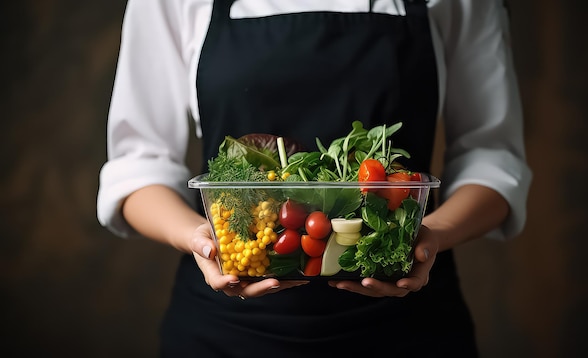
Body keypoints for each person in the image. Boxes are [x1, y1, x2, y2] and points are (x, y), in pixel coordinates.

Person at [97, 0, 532, 356]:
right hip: (225, 332)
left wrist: (429, 235)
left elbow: (491, 156)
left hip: (409, 324)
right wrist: (200, 237)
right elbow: (139, 164)